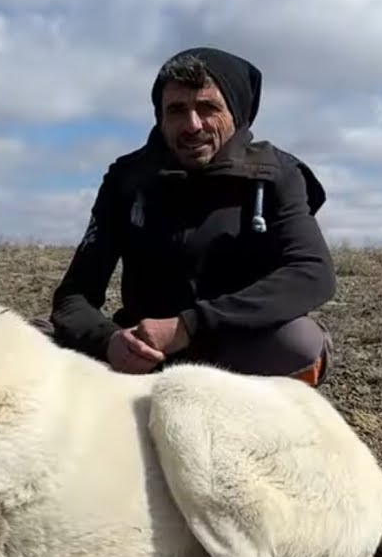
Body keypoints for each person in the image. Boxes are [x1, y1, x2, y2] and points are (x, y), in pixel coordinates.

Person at [31, 46, 337, 386]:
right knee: (23, 341)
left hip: (235, 348)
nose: (192, 125)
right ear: (160, 117)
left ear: (235, 111)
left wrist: (188, 326)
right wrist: (109, 340)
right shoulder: (128, 179)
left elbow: (312, 273)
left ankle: (256, 421)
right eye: (177, 110)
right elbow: (74, 296)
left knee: (300, 343)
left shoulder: (275, 174)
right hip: (144, 350)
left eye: (208, 108)